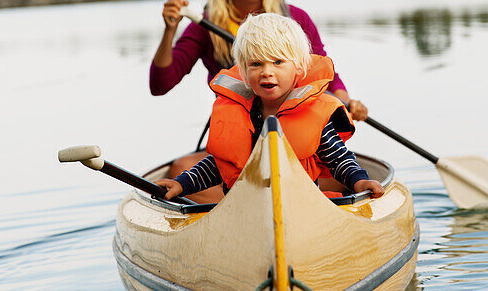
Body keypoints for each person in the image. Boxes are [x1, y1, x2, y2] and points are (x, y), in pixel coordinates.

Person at [157, 14, 384, 201]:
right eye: (256, 64)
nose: (267, 72)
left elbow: (339, 159)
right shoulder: (241, 113)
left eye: (277, 62)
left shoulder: (314, 114)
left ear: (298, 68)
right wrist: (181, 185)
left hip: (303, 206)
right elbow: (218, 165)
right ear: (244, 72)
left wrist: (360, 181)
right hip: (246, 209)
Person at [150, 0, 369, 119]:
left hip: (294, 125)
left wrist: (345, 103)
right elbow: (160, 85)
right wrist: (170, 30)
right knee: (181, 167)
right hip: (240, 132)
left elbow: (325, 74)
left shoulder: (295, 18)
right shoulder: (205, 27)